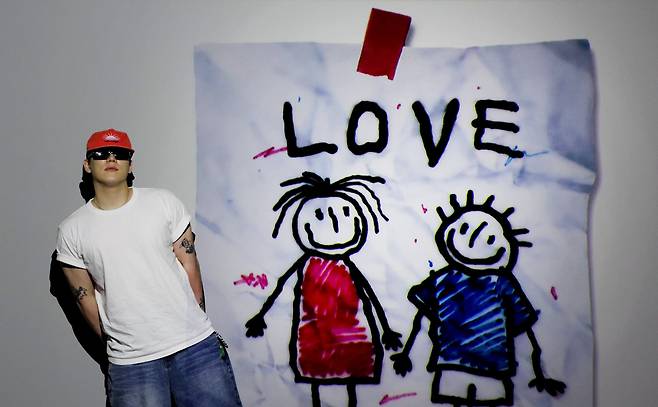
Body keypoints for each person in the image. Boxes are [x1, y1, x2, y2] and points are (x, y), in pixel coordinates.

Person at [56, 129, 242, 407]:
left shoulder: (162, 202)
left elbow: (189, 264)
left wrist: (195, 321)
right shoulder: (72, 230)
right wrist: (118, 343)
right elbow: (84, 298)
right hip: (131, 363)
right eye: (102, 153)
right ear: (87, 164)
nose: (111, 158)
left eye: (120, 153)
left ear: (130, 164)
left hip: (194, 347)